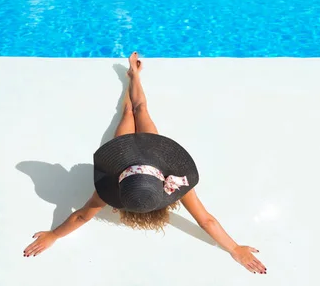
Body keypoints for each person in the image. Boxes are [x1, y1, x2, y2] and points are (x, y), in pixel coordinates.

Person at [23, 52, 267, 275]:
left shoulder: (115, 191)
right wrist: (234, 249)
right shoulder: (173, 185)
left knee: (130, 112)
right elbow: (206, 220)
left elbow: (81, 217)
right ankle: (134, 77)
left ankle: (133, 77)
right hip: (153, 154)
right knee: (138, 110)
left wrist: (54, 235)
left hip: (132, 157)